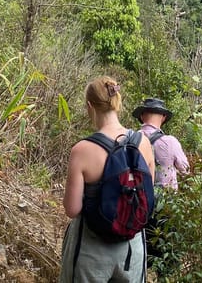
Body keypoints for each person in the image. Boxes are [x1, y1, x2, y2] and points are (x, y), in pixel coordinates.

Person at [59, 76, 156, 283]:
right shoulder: (144, 143)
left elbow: (72, 209)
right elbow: (148, 194)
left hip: (92, 250)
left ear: (89, 106)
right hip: (133, 248)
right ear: (117, 102)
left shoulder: (82, 150)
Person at [132, 98, 189, 189]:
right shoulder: (171, 142)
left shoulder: (130, 139)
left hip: (138, 197)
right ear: (163, 117)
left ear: (142, 116)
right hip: (165, 199)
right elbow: (185, 169)